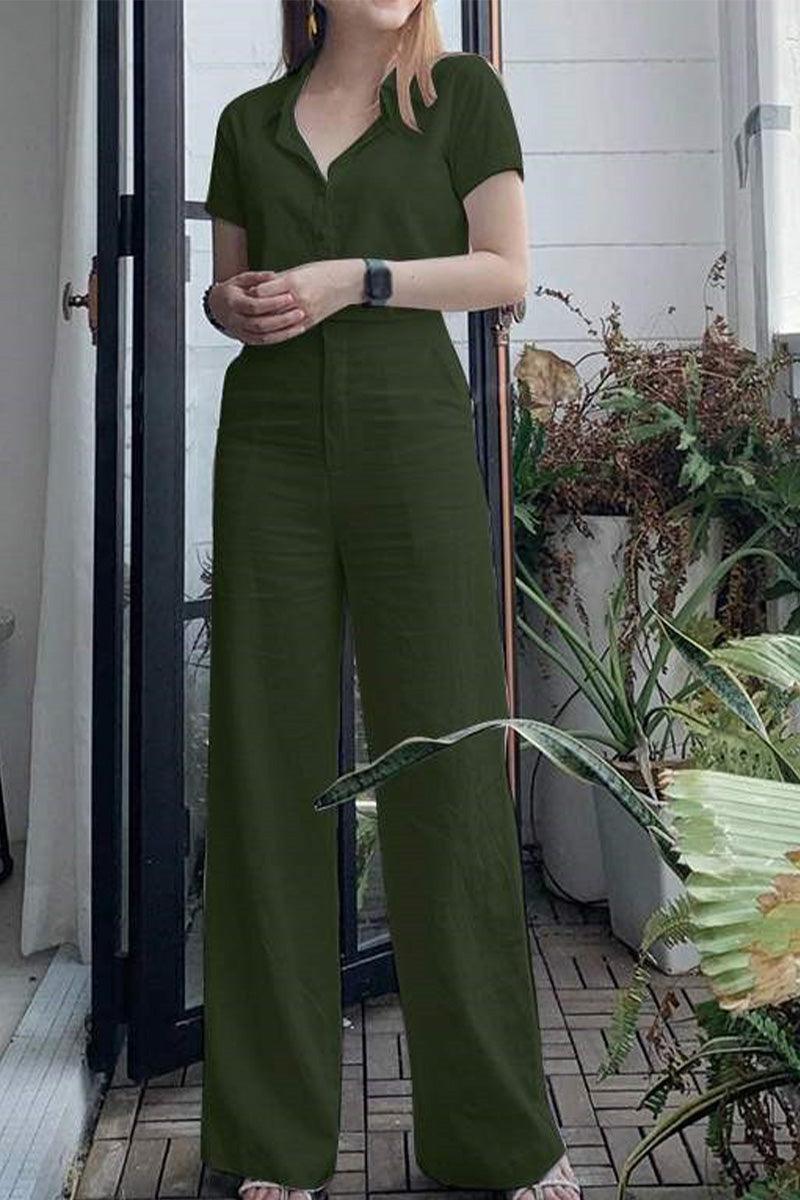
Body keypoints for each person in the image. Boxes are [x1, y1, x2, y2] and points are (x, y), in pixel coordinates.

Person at [200, 3, 582, 1200]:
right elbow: (224, 291)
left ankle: (493, 1135)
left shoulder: (458, 94)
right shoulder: (245, 121)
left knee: (447, 767)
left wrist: (352, 278)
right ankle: (270, 1140)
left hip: (410, 445)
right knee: (265, 772)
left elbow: (504, 268)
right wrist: (239, 307)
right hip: (267, 448)